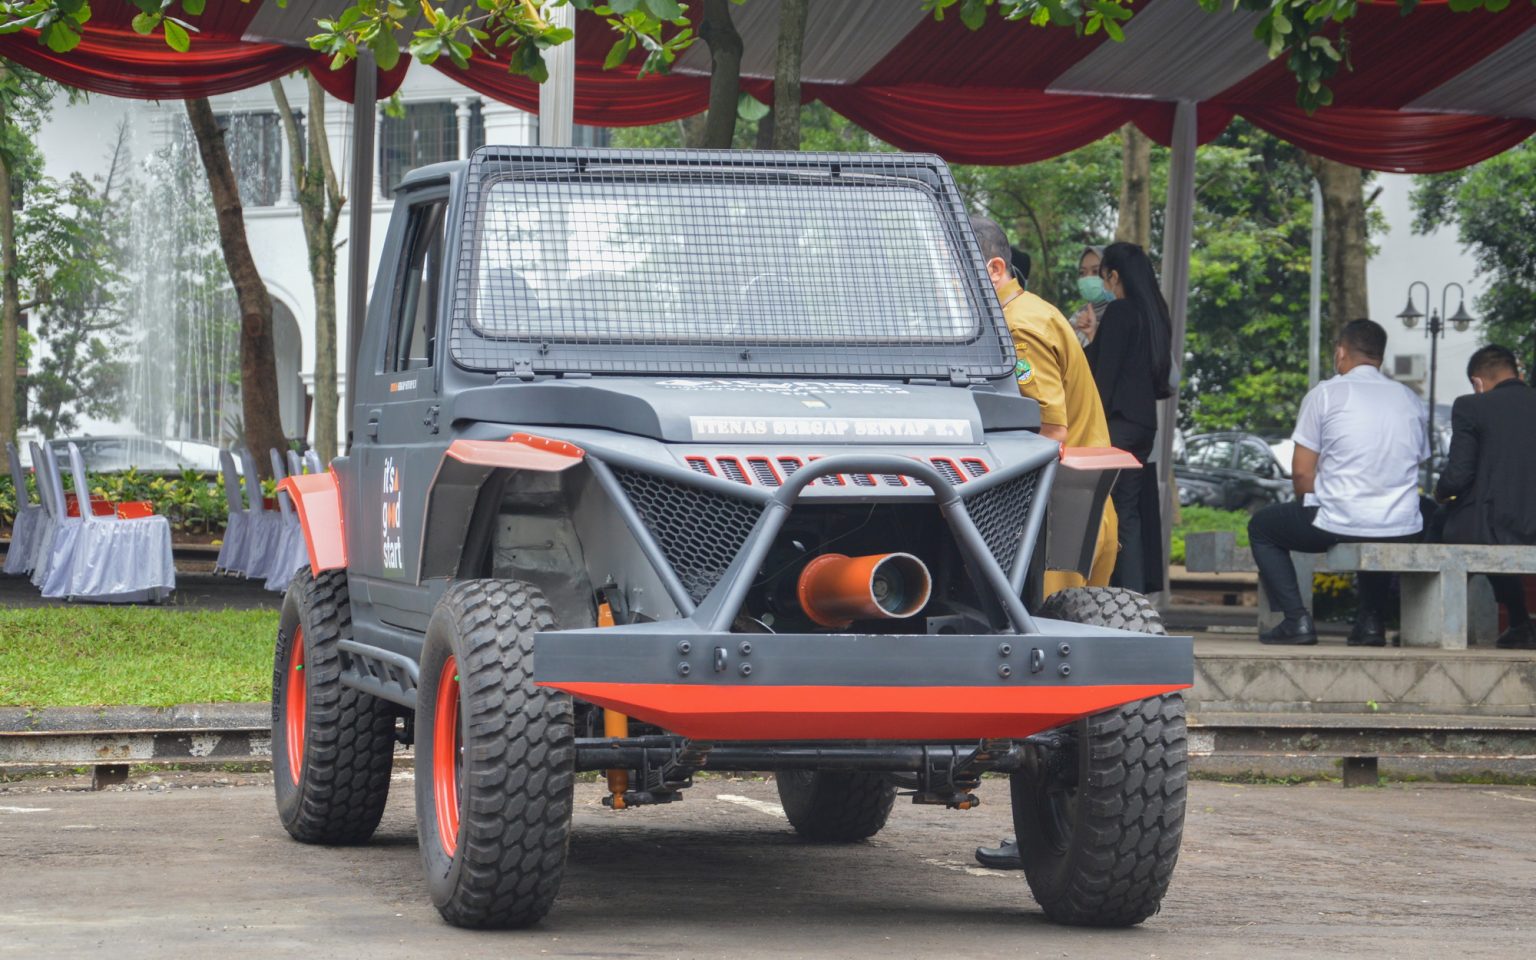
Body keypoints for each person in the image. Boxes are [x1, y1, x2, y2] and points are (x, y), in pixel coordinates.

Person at [967, 215, 1117, 872]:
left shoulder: (1020, 325)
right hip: (1062, 516)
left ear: (995, 272)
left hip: (1053, 522)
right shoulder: (1034, 314)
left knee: (1049, 683)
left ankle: (1047, 828)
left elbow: (1045, 434)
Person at [1248, 319, 1429, 646]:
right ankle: (1371, 623)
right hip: (1402, 524)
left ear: (1341, 353)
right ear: (1380, 358)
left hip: (1338, 520)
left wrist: (1312, 507)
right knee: (1378, 528)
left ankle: (1296, 620)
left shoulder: (1326, 394)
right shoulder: (1410, 399)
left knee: (1262, 527)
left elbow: (1302, 473)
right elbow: (1414, 462)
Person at [1430, 345, 1536, 649]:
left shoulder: (1471, 406)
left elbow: (1459, 474)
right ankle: (1519, 624)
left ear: (1477, 382)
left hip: (1495, 523)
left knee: (1445, 525)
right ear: (1517, 373)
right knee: (1492, 532)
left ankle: (1433, 621)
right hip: (1523, 523)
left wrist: (1441, 493)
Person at [1086, 241, 1173, 593]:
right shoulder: (1155, 312)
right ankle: (1133, 597)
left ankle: (1103, 591)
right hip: (1143, 426)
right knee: (1129, 513)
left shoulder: (1120, 312)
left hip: (1116, 425)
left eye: (1104, 276)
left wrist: (1093, 422)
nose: (1103, 285)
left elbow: (1104, 375)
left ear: (1115, 275)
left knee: (1100, 511)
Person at [1070, 245, 1113, 347]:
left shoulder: (1120, 318)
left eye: (1095, 272)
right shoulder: (1078, 317)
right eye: (1082, 273)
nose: (1088, 277)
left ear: (1112, 275)